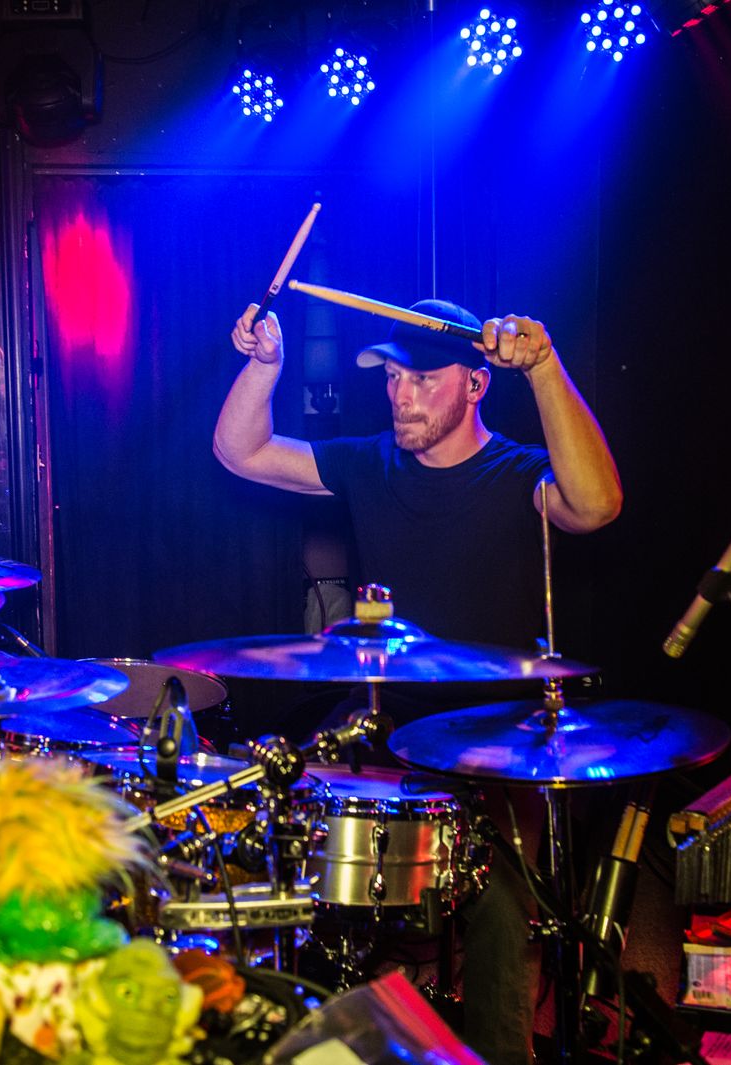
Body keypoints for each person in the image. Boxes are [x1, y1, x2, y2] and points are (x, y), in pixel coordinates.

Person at [212, 297, 622, 1065]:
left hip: (495, 741)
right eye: (393, 378)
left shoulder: (519, 474)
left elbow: (597, 504)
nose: (401, 394)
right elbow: (243, 451)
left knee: (502, 905)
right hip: (385, 722)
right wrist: (265, 365)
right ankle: (320, 1035)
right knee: (298, 832)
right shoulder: (371, 462)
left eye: (423, 379)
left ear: (475, 383)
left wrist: (543, 367)